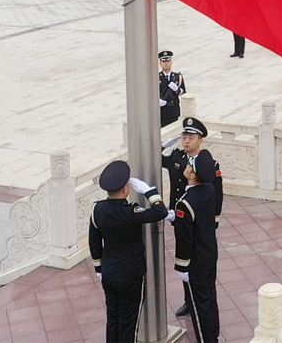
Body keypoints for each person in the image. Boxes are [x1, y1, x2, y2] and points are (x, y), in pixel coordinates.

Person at [88, 160, 168, 343]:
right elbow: (160, 212)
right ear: (126, 190)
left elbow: (94, 243)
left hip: (109, 274)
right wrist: (150, 192)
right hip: (130, 276)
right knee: (128, 324)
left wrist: (99, 269)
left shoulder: (97, 210)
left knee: (113, 319)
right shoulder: (130, 211)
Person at [161, 117, 223, 317]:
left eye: (191, 137)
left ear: (200, 140)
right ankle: (189, 299)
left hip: (201, 218)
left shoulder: (208, 164)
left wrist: (213, 221)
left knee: (202, 257)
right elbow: (154, 157)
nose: (186, 141)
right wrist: (162, 145)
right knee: (184, 252)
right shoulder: (177, 158)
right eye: (184, 137)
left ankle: (203, 292)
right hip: (179, 215)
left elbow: (217, 192)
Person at [173, 155, 220, 343]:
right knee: (209, 297)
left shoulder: (185, 203)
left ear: (192, 175)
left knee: (199, 307)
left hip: (195, 262)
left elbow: (184, 240)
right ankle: (214, 334)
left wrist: (181, 266)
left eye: (190, 165)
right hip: (210, 253)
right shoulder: (208, 189)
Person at [159, 50, 186, 127]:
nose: (166, 63)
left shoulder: (178, 77)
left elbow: (183, 92)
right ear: (160, 63)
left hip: (174, 110)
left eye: (168, 61)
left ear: (171, 62)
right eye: (163, 61)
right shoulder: (156, 77)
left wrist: (177, 89)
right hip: (162, 111)